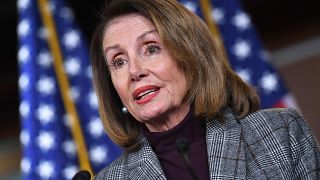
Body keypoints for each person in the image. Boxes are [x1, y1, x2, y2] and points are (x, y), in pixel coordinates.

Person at [90, 0, 320, 179]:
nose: (134, 71)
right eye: (118, 61)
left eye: (151, 49)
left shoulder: (280, 132)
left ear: (191, 56)